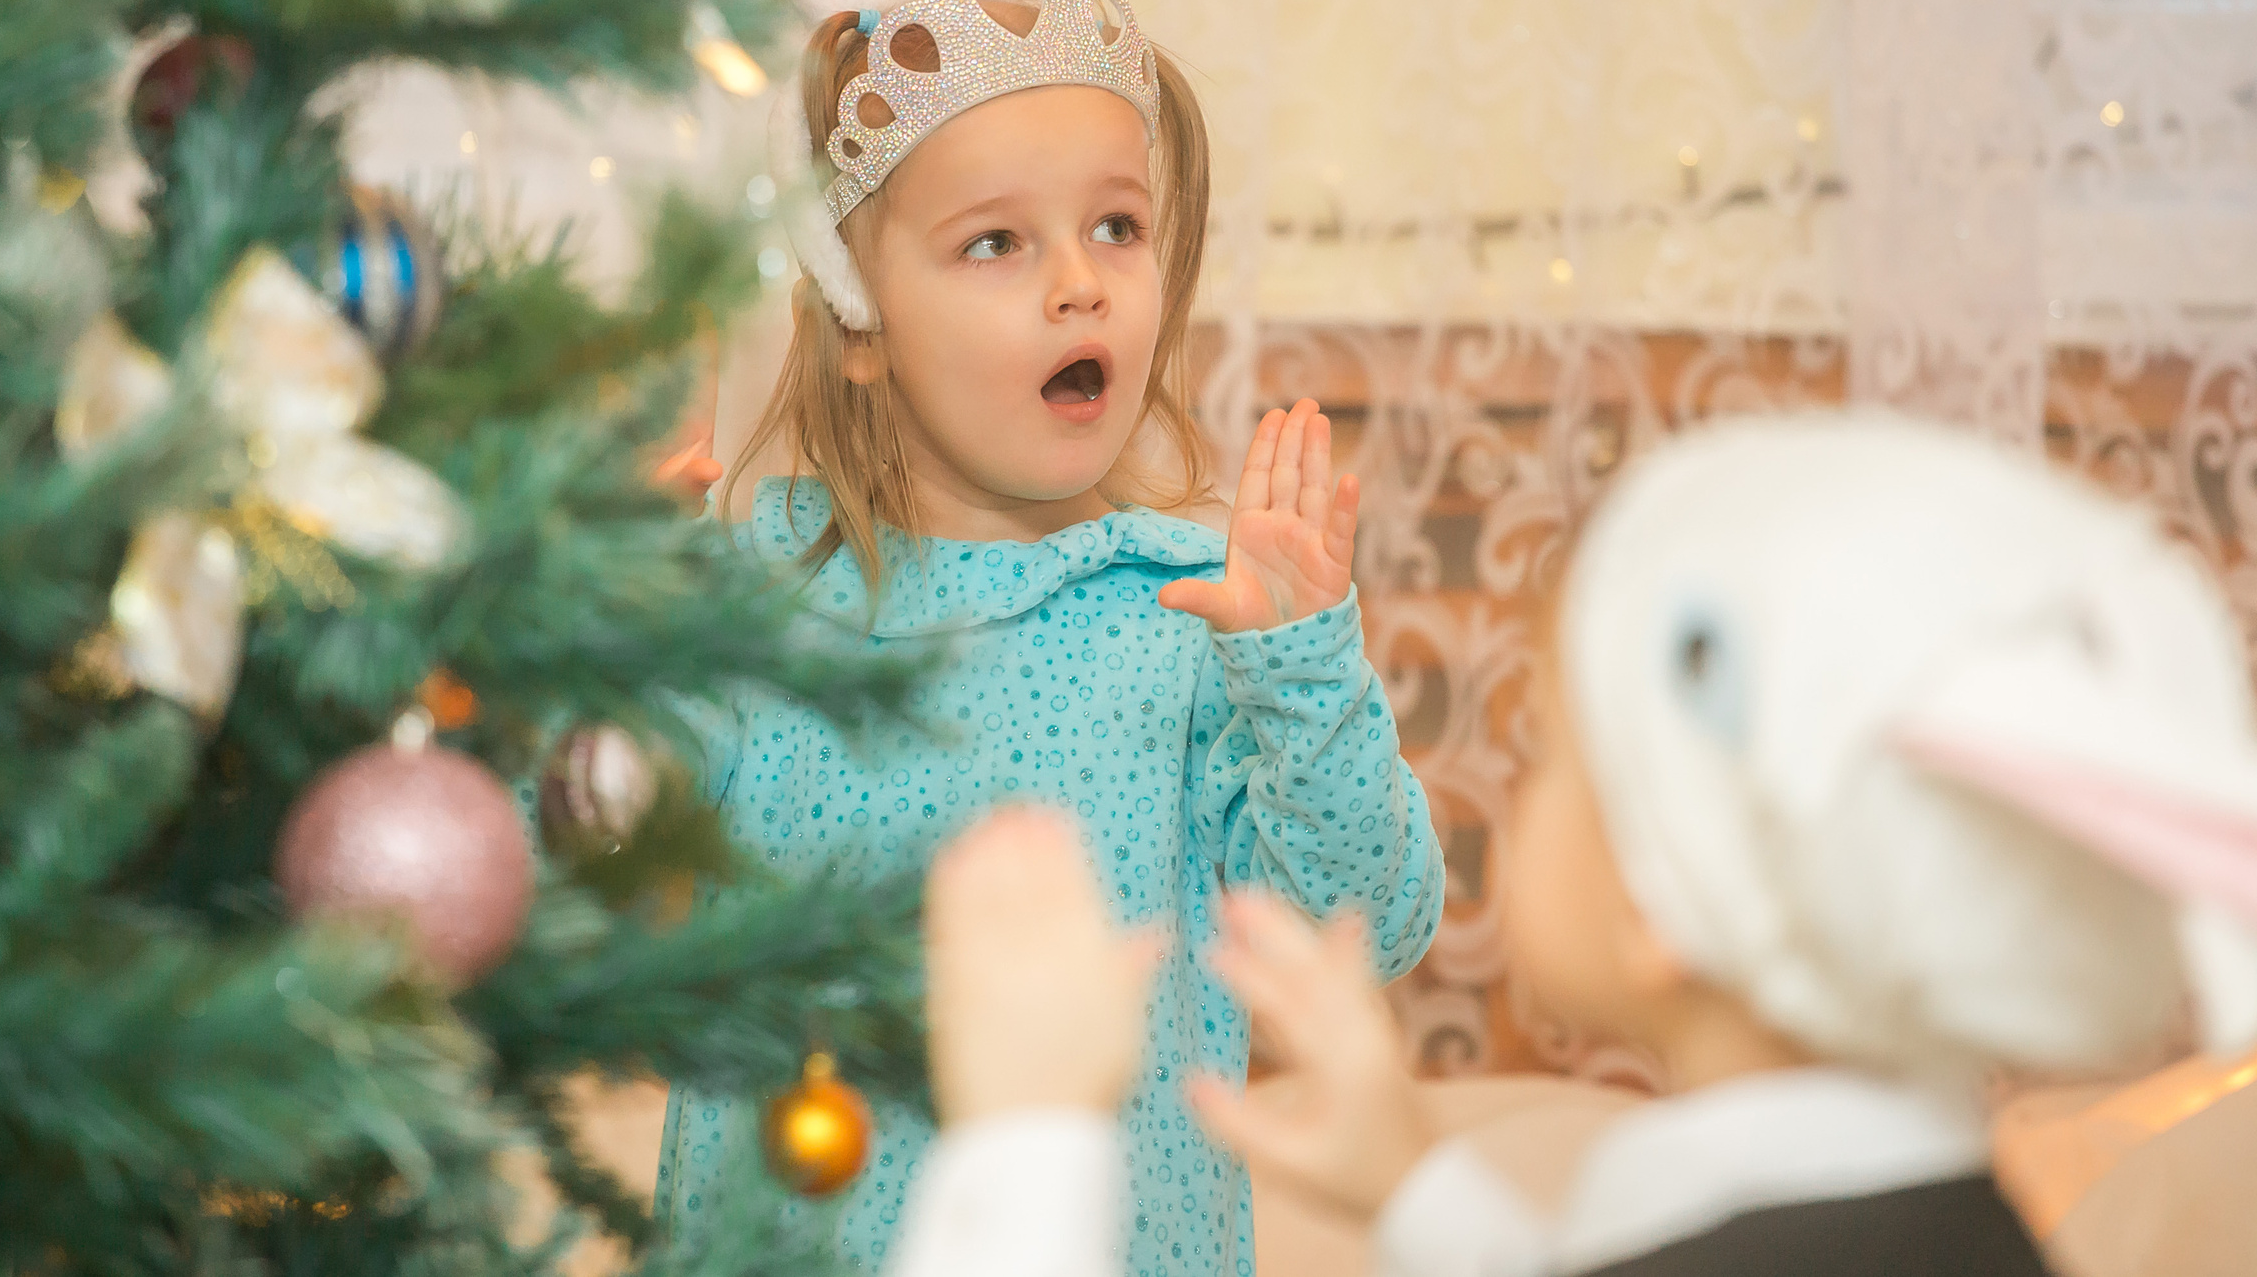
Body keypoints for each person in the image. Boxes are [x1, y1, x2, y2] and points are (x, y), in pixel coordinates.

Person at [653, 0, 1445, 1277]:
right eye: (996, 243)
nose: (1080, 283)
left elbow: (1367, 930)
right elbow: (553, 883)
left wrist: (1301, 662)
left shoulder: (1193, 607)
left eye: (1115, 226)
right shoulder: (757, 600)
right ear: (861, 321)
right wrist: (604, 660)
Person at [895, 412, 2257, 1277]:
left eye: (1560, 759)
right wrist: (1415, 1181)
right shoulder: (1953, 1227)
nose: (1526, 791)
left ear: (1663, 898)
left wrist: (1026, 1139)